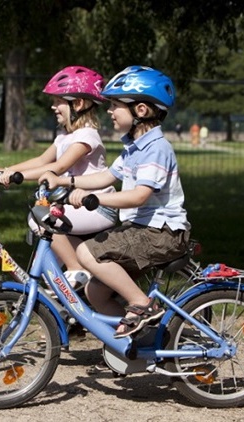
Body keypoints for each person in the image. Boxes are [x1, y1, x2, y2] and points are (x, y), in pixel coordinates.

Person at [39, 65, 191, 338]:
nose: (108, 111)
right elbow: (107, 175)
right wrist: (65, 181)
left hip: (162, 232)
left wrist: (95, 199)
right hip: (143, 229)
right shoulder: (134, 147)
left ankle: (143, 305)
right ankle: (141, 342)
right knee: (95, 291)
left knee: (86, 252)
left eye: (115, 106)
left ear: (140, 111)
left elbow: (139, 195)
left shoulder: (156, 148)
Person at [0, 65, 118, 290]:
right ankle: (67, 312)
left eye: (58, 101)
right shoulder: (65, 137)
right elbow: (41, 161)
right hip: (76, 207)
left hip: (97, 207)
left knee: (41, 218)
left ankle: (77, 268)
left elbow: (58, 166)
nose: (53, 106)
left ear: (77, 104)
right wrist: (6, 171)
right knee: (48, 271)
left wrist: (16, 177)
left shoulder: (87, 136)